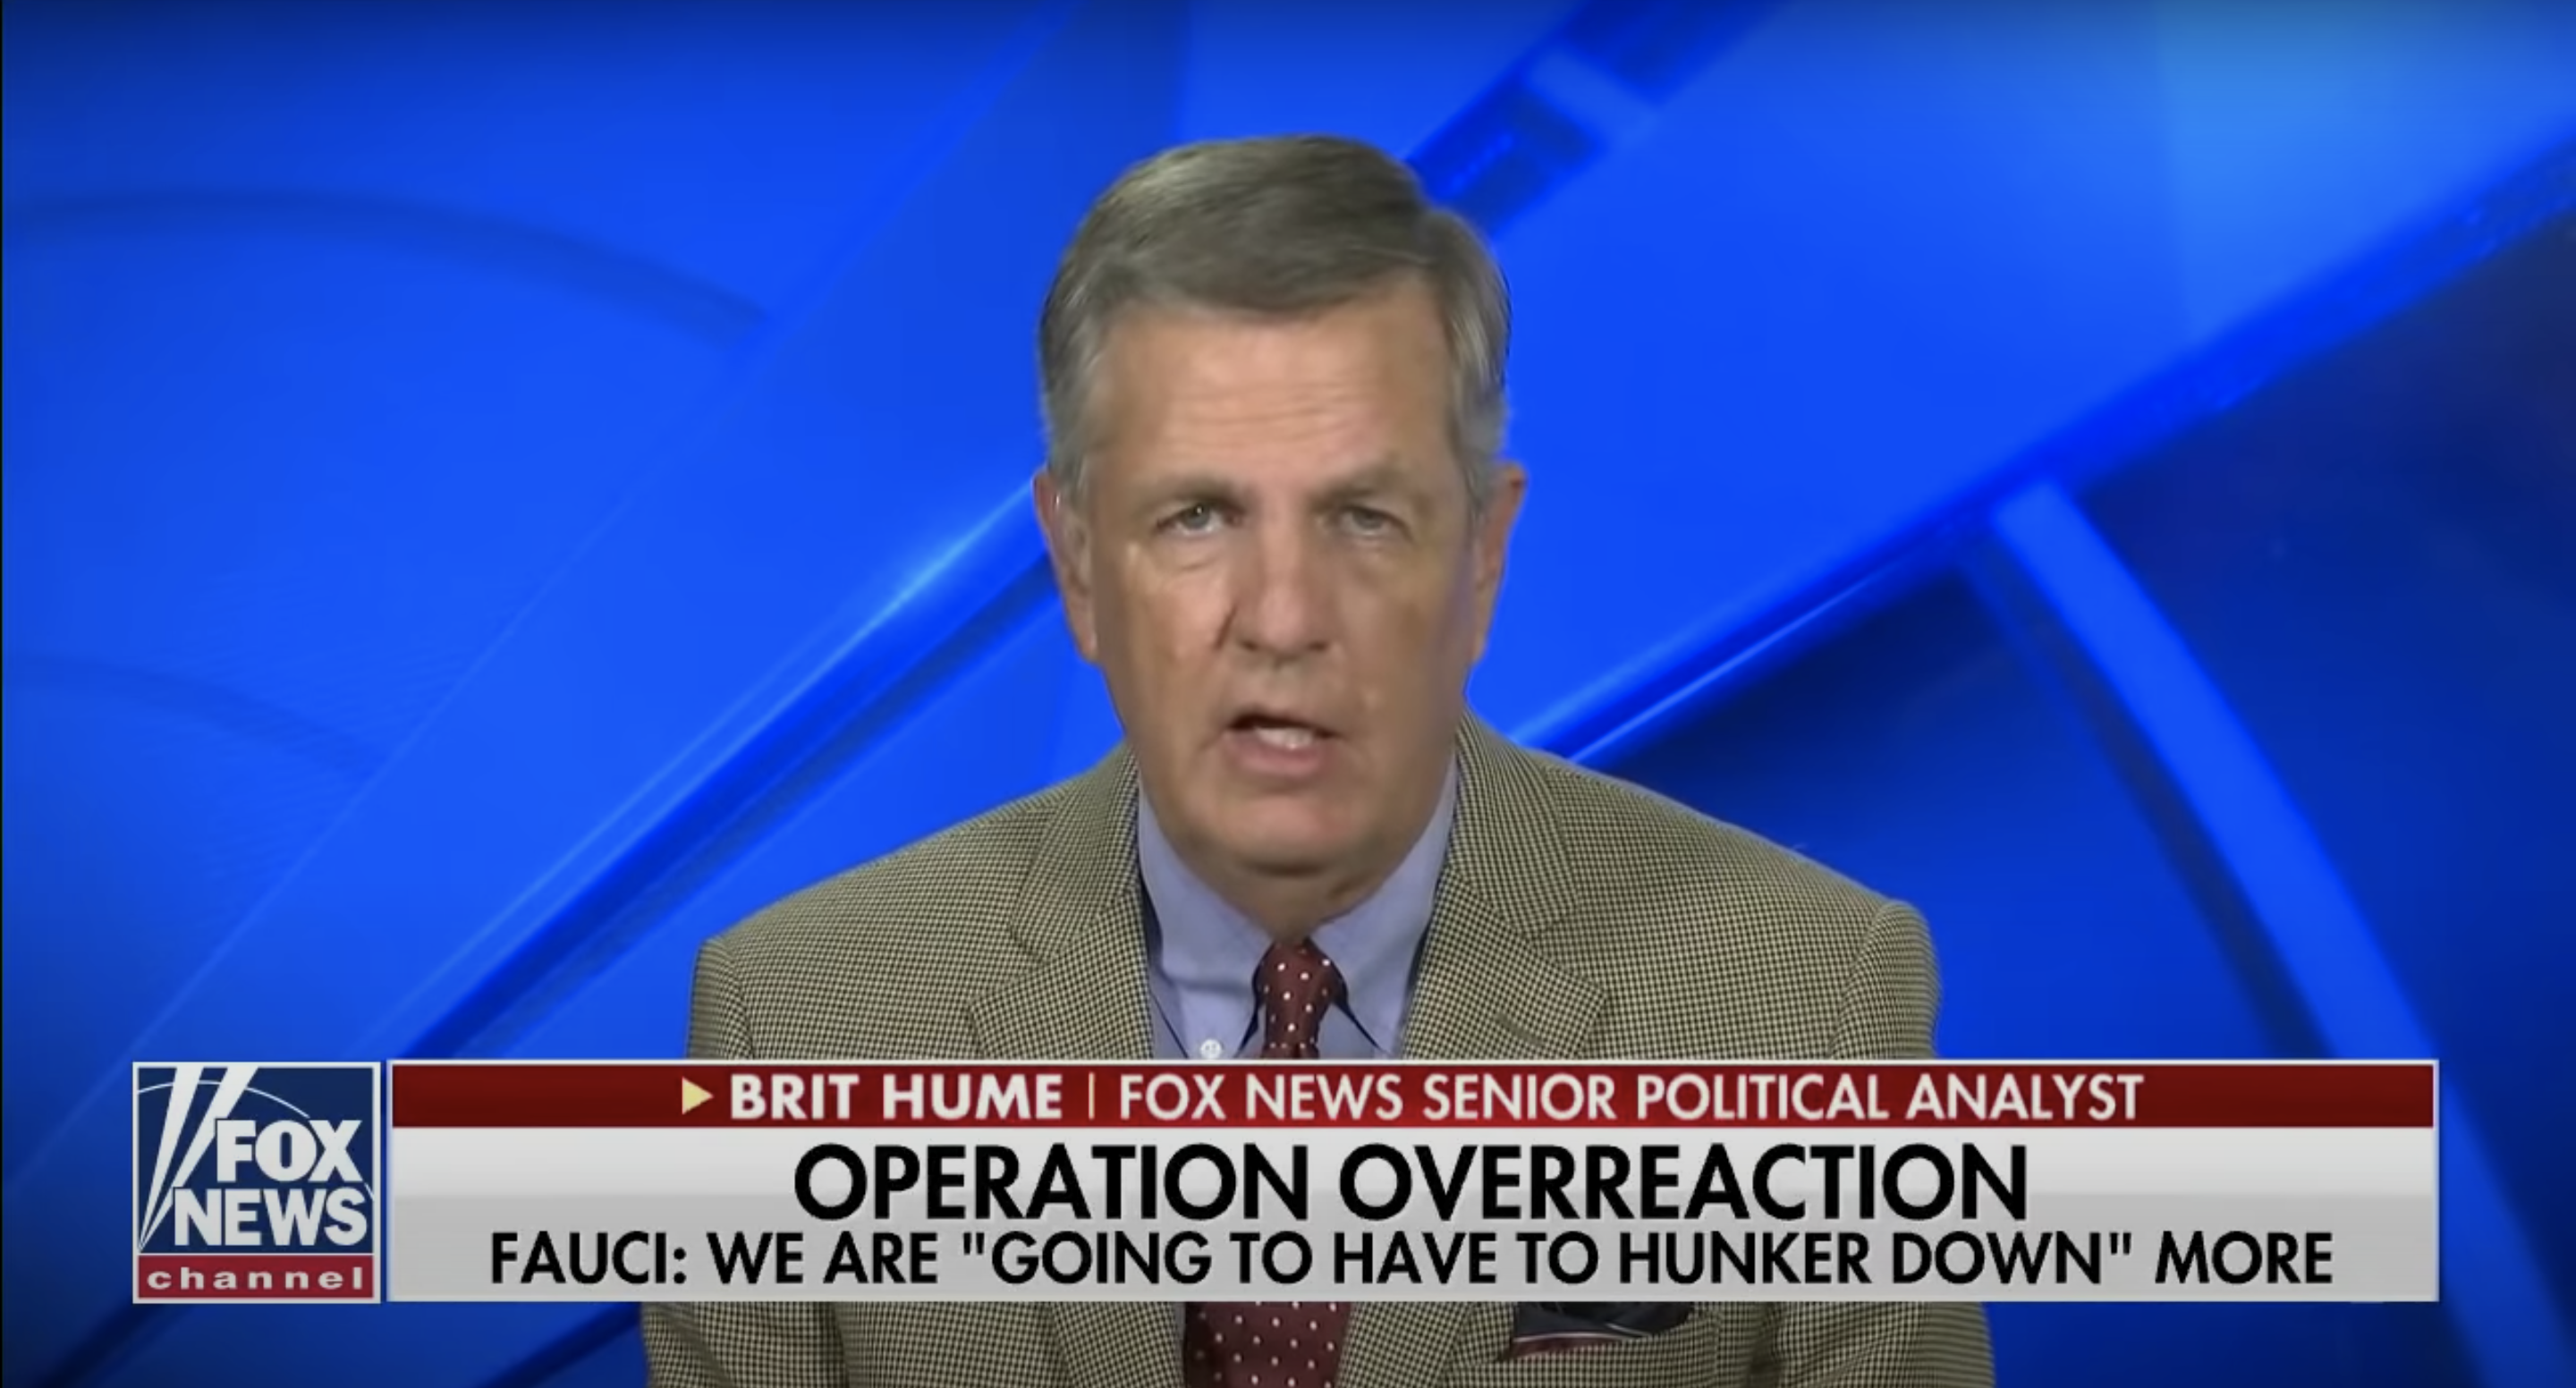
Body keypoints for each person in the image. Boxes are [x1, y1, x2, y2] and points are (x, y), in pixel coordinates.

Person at [642, 133, 1994, 1388]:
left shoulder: (1806, 1007)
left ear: (1482, 555)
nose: (1283, 618)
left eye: (1363, 515)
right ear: (1077, 562)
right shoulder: (794, 1028)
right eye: (1196, 516)